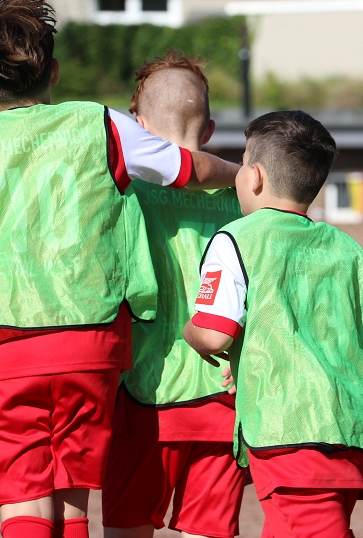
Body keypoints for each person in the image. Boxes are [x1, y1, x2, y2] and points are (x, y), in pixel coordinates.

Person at [0, 0, 240, 538]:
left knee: (25, 501)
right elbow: (186, 170)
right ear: (55, 71)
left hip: (2, 341)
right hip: (90, 339)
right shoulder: (100, 123)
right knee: (72, 499)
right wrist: (244, 175)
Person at [183, 111, 363, 538]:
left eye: (241, 162)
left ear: (254, 176)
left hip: (291, 431)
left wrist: (189, 331)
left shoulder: (236, 237)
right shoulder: (348, 250)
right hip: (348, 428)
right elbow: (361, 348)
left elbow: (213, 333)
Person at [102, 51, 246, 538]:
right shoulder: (245, 198)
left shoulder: (122, 192)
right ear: (210, 130)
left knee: (127, 530)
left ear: (138, 127)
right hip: (226, 396)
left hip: (143, 394)